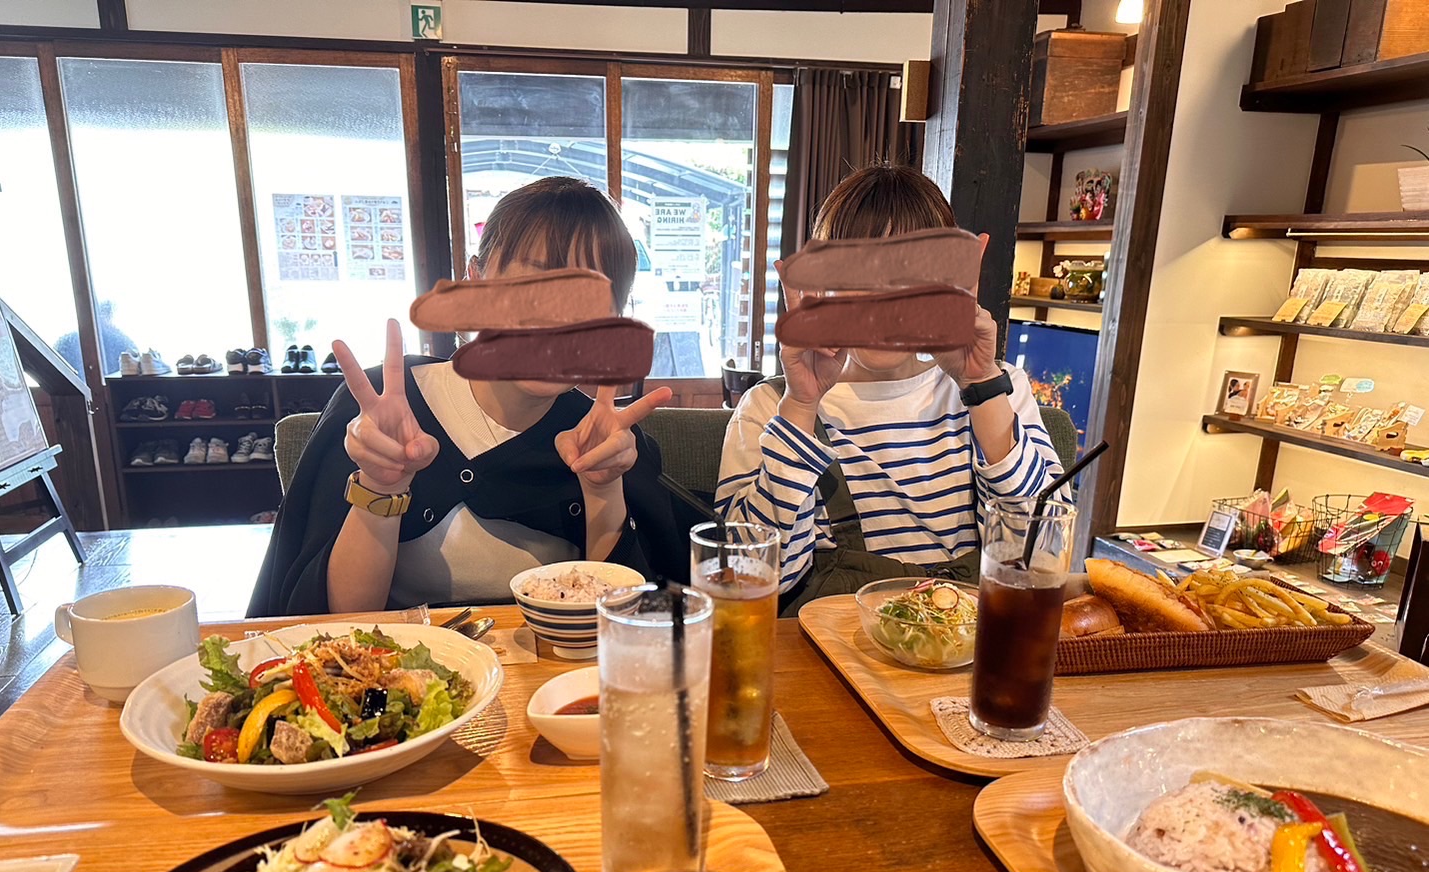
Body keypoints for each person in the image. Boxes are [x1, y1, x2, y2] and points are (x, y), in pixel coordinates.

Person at [248, 177, 683, 617]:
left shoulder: (608, 443)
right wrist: (381, 486)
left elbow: (627, 626)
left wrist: (603, 489)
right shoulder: (385, 408)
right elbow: (340, 622)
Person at [715, 164, 1066, 612]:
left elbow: (1041, 561)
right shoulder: (771, 406)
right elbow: (747, 582)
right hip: (830, 649)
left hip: (972, 648)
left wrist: (981, 388)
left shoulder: (1001, 389)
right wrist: (801, 406)